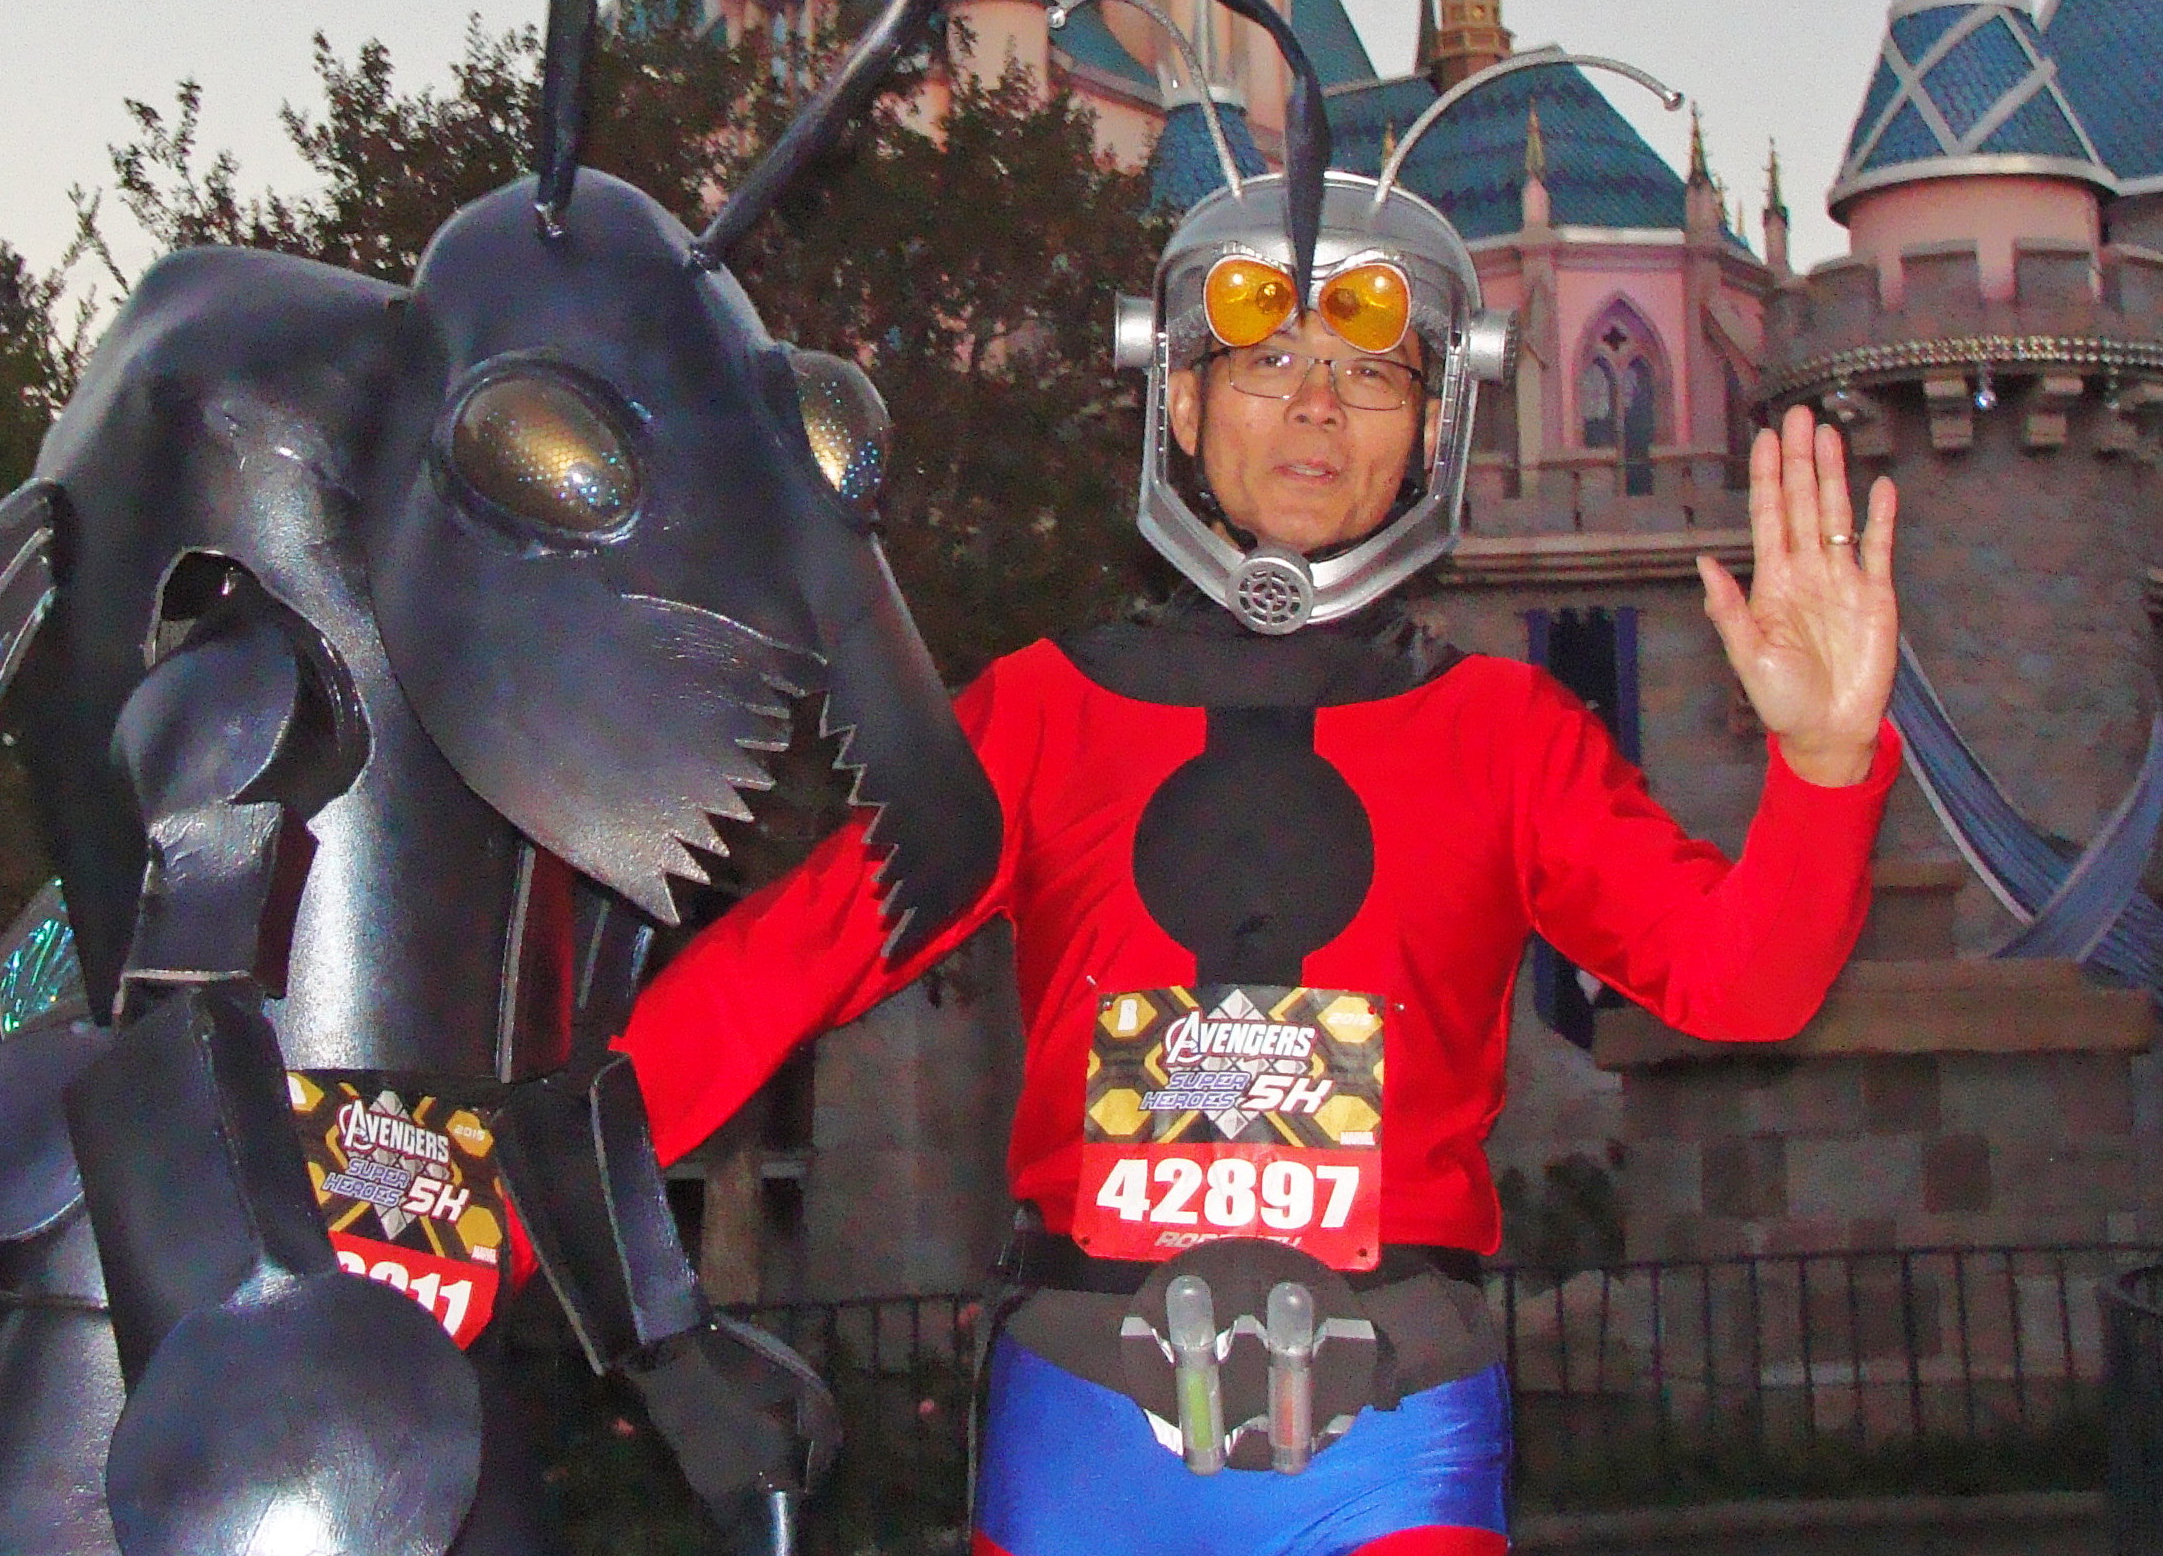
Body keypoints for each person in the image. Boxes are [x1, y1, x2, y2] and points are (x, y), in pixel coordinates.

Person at [619, 169, 1900, 1556]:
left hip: (1393, 1443)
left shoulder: (1508, 735)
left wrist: (1826, 770)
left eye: (1369, 373)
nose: (1315, 404)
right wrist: (483, 1203)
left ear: (1432, 430)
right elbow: (771, 974)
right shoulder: (1040, 717)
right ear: (1176, 397)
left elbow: (1742, 986)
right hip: (1081, 1432)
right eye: (1269, 359)